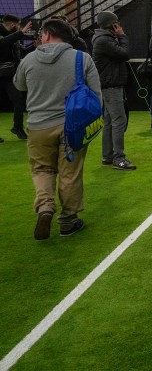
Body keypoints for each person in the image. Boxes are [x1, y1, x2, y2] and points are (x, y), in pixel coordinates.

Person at [13, 17, 100, 239]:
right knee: (70, 173)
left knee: (42, 169)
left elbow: (19, 85)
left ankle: (45, 207)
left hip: (38, 126)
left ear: (48, 34)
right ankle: (68, 221)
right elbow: (96, 95)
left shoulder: (29, 59)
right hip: (73, 126)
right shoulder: (82, 58)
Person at [91, 11, 136, 170]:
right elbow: (124, 54)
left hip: (109, 84)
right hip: (111, 85)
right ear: (112, 24)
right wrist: (122, 36)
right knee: (119, 120)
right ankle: (119, 158)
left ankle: (108, 156)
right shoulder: (104, 40)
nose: (119, 25)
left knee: (110, 121)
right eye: (116, 22)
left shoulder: (104, 39)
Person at [1, 14, 33, 141]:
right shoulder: (11, 35)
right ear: (13, 24)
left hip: (9, 75)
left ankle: (17, 127)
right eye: (18, 25)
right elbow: (2, 43)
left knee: (19, 100)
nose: (19, 27)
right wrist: (21, 33)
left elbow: (21, 51)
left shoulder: (14, 37)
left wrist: (34, 45)